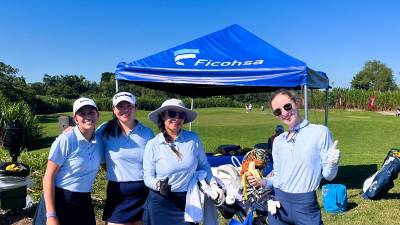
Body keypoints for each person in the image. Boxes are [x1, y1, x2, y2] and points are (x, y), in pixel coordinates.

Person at [246, 89, 341, 225]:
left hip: (305, 207)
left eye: (287, 106)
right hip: (278, 206)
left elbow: (329, 176)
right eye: (278, 111)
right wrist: (262, 182)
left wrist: (333, 163)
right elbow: (278, 177)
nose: (284, 113)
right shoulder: (278, 141)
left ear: (296, 103)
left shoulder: (320, 132)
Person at [142, 98, 223, 225]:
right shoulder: (153, 144)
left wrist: (213, 184)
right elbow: (147, 176)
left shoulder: (193, 139)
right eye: (172, 114)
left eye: (181, 115)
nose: (177, 118)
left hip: (187, 200)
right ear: (163, 116)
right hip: (161, 201)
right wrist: (159, 185)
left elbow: (204, 165)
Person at [42, 97, 103, 225]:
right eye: (82, 113)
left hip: (84, 199)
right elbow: (48, 177)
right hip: (61, 199)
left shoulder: (99, 140)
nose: (87, 116)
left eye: (91, 112)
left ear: (98, 115)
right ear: (75, 119)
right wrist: (51, 215)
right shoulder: (67, 139)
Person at [98, 92, 155, 225]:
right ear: (113, 109)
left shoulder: (146, 133)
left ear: (136, 107)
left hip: (144, 194)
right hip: (118, 193)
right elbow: (88, 139)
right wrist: (73, 130)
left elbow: (153, 163)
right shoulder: (104, 131)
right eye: (120, 106)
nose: (125, 110)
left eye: (129, 106)